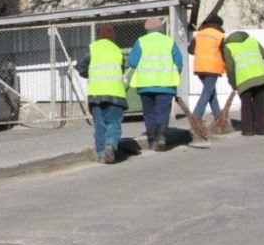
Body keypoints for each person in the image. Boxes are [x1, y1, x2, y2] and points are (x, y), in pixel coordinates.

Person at [128, 17, 182, 152]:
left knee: (149, 113)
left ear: (147, 30)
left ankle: (152, 139)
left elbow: (132, 62)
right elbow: (179, 62)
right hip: (166, 84)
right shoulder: (169, 42)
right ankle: (161, 137)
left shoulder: (141, 41)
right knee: (162, 111)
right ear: (161, 29)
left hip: (145, 84)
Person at [77, 24, 129, 164]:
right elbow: (121, 70)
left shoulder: (92, 48)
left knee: (100, 125)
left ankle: (101, 154)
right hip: (116, 93)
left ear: (99, 35)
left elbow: (81, 66)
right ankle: (110, 144)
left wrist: (90, 73)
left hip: (96, 94)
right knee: (113, 123)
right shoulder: (118, 51)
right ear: (113, 36)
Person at [222, 29, 264, 136]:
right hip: (260, 76)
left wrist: (233, 83)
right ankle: (262, 128)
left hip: (243, 79)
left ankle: (248, 130)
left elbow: (230, 68)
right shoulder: (252, 40)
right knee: (260, 103)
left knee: (246, 104)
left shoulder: (228, 47)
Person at [188, 13, 226, 122]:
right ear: (219, 25)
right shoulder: (219, 35)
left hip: (199, 67)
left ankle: (218, 118)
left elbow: (190, 50)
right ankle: (196, 116)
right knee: (207, 92)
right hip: (212, 68)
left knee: (211, 92)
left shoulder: (199, 34)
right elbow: (224, 53)